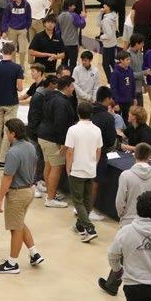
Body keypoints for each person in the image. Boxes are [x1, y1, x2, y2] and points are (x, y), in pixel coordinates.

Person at [0, 119, 43, 274]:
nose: (6, 134)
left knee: (15, 228)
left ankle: (12, 263)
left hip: (17, 193)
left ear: (13, 133)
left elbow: (7, 178)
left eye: (7, 131)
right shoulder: (30, 146)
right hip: (29, 190)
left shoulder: (13, 152)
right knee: (19, 222)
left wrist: (0, 199)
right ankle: (34, 253)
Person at [64, 101, 103, 243]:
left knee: (78, 201)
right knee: (87, 200)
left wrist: (68, 167)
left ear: (78, 113)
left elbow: (70, 151)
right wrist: (94, 164)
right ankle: (80, 226)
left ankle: (90, 228)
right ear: (91, 114)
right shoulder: (97, 130)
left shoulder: (73, 130)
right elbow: (98, 150)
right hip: (91, 169)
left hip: (77, 169)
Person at [0, 43, 23, 169]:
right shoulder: (17, 68)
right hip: (11, 102)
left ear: (2, 51)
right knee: (8, 130)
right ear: (13, 52)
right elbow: (20, 87)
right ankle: (2, 160)